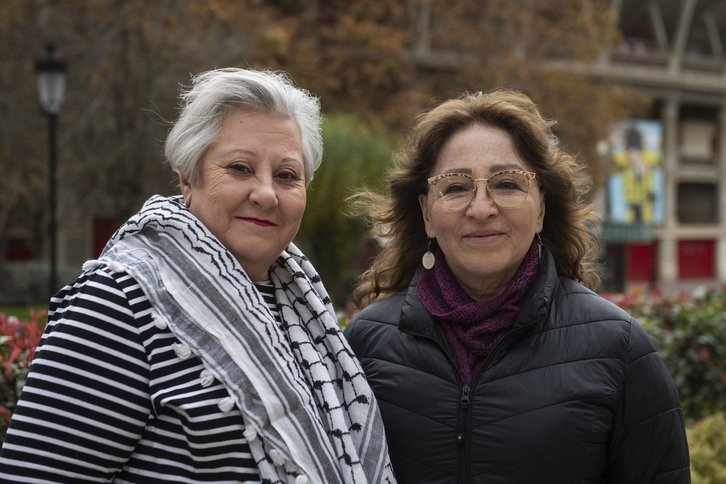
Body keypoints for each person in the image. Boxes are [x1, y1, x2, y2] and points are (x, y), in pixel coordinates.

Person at [0, 68, 396, 484]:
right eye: (241, 168)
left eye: (286, 176)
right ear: (188, 178)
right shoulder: (120, 301)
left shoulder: (303, 308)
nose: (266, 193)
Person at [344, 90, 690, 483]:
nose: (481, 208)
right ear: (426, 213)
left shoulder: (619, 348)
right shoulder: (364, 345)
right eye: (455, 187)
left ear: (541, 206)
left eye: (507, 183)